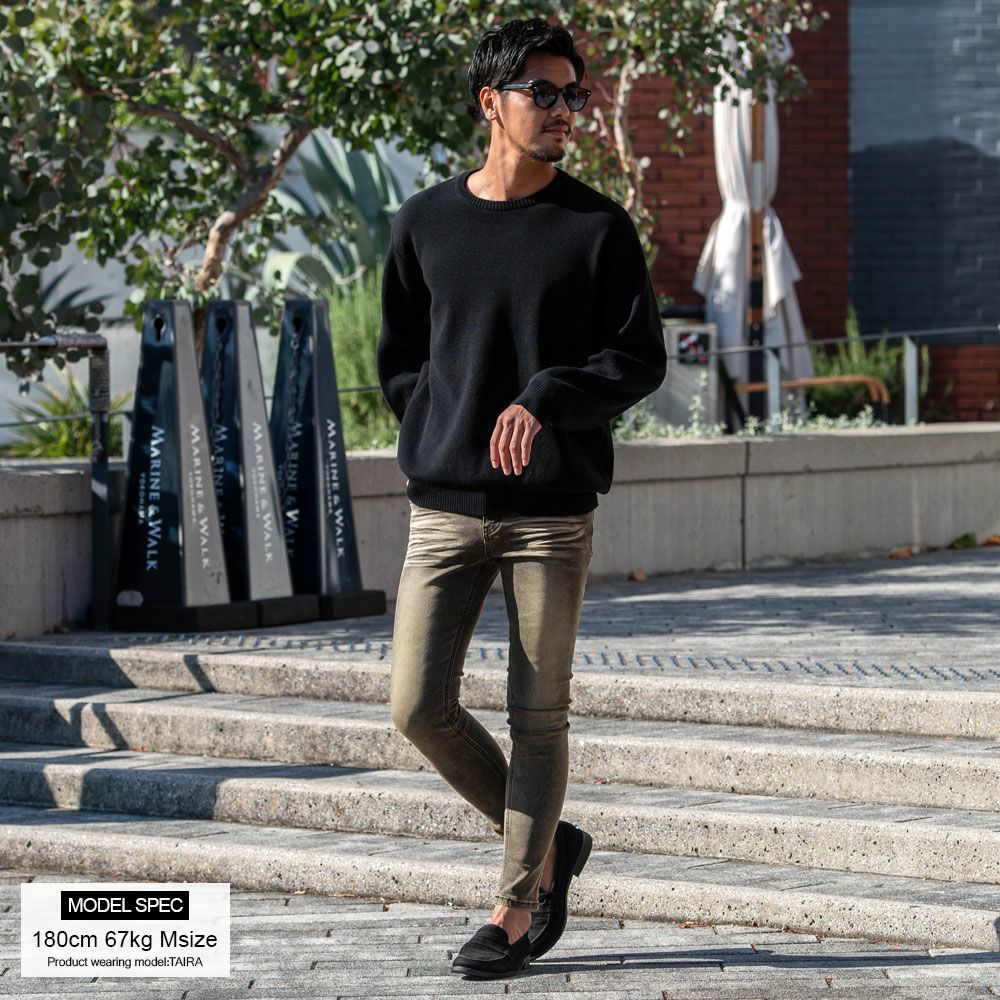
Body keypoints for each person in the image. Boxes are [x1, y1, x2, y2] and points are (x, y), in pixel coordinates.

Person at [376, 16, 668, 980]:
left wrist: (548, 398)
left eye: (573, 93)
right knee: (416, 707)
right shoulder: (425, 222)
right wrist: (440, 429)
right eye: (542, 92)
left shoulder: (597, 228)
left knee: (539, 715)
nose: (564, 109)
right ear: (490, 103)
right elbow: (400, 360)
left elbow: (638, 360)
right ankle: (551, 845)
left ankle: (512, 909)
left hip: (550, 512)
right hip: (445, 507)